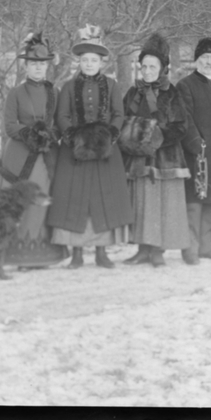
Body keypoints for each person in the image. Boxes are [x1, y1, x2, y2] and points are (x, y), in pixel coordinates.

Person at [46, 25, 133, 269]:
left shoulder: (112, 86)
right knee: (75, 199)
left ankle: (102, 252)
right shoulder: (68, 87)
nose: (89, 64)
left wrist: (109, 135)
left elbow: (118, 114)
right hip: (75, 153)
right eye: (84, 60)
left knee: (102, 199)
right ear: (79, 62)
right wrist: (74, 137)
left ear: (101, 62)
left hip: (105, 151)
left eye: (93, 60)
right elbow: (61, 116)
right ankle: (76, 254)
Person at [118, 33, 194, 267]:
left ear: (162, 68)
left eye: (153, 66)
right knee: (141, 203)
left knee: (163, 203)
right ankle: (142, 249)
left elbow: (181, 126)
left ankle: (158, 250)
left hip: (165, 159)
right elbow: (122, 121)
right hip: (138, 159)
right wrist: (130, 138)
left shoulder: (172, 93)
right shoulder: (133, 93)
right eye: (144, 66)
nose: (148, 70)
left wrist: (156, 137)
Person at [0, 32, 67, 268]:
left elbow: (58, 124)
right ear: (26, 66)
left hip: (44, 157)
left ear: (47, 67)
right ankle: (18, 255)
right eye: (33, 64)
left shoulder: (53, 93)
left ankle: (41, 255)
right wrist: (30, 134)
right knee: (21, 201)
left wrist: (49, 135)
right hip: (19, 157)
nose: (38, 69)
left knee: (41, 201)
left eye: (42, 64)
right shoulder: (16, 93)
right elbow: (10, 125)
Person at [176, 36, 211, 263]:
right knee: (194, 202)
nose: (208, 62)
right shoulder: (186, 85)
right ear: (196, 60)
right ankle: (190, 248)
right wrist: (196, 143)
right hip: (196, 154)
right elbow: (185, 118)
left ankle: (206, 246)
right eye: (204, 57)